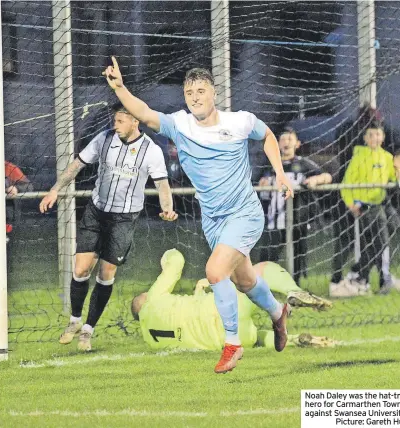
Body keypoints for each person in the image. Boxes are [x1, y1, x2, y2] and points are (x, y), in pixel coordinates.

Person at [103, 57, 294, 374]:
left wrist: (280, 174)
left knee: (215, 271)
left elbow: (269, 136)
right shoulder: (179, 125)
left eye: (201, 90)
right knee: (243, 280)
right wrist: (120, 88)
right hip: (214, 221)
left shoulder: (238, 122)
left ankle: (232, 345)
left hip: (244, 213)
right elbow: (144, 113)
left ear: (213, 93)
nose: (194, 96)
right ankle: (278, 312)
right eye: (189, 92)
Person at [39, 103, 177, 352]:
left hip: (123, 219)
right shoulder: (104, 139)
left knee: (106, 274)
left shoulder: (150, 151)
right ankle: (74, 321)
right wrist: (55, 189)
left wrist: (167, 207)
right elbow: (77, 164)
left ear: (136, 121)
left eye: (121, 121)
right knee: (81, 268)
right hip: (96, 211)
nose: (116, 125)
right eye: (115, 120)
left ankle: (88, 329)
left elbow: (162, 185)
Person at [131, 249, 334, 353]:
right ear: (143, 302)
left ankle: (293, 340)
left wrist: (197, 295)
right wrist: (166, 257)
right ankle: (294, 291)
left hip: (228, 339)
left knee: (256, 337)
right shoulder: (153, 299)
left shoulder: (151, 341)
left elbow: (186, 326)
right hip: (223, 310)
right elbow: (176, 261)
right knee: (258, 271)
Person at [331, 121, 400, 297]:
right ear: (365, 138)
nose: (375, 138)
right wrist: (351, 203)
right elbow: (346, 184)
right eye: (371, 135)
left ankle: (362, 273)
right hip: (365, 206)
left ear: (382, 137)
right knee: (380, 242)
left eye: (378, 134)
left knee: (394, 226)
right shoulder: (359, 157)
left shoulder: (387, 157)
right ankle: (373, 278)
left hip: (381, 203)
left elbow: (394, 176)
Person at [258, 127, 332, 283]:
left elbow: (327, 176)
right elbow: (258, 185)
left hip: (298, 218)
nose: (286, 142)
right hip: (275, 220)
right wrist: (262, 184)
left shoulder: (304, 164)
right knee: (268, 254)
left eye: (290, 139)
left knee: (298, 253)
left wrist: (316, 180)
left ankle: (295, 285)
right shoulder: (269, 166)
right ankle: (259, 285)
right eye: (283, 139)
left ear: (297, 144)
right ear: (277, 144)